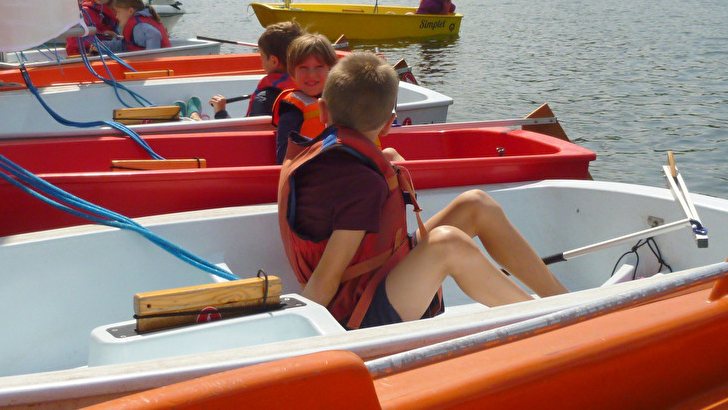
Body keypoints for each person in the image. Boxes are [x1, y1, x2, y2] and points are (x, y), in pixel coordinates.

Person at [277, 52, 568, 330]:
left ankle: (565, 303)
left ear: (324, 110)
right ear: (389, 124)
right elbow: (327, 278)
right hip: (355, 317)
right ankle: (546, 324)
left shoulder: (335, 157)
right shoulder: (360, 183)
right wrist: (306, 340)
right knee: (447, 244)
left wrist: (388, 161)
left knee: (475, 204)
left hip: (374, 279)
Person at [210, 21, 303, 120]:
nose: (261, 60)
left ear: (274, 61)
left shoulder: (264, 99)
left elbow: (248, 133)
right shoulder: (309, 88)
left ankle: (195, 116)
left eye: (262, 57)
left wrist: (220, 112)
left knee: (198, 120)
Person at [272, 33, 338, 162]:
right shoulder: (292, 111)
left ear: (330, 70)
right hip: (311, 174)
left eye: (319, 67)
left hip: (342, 169)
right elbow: (284, 159)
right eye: (303, 68)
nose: (311, 75)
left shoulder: (340, 101)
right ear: (292, 74)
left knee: (389, 153)